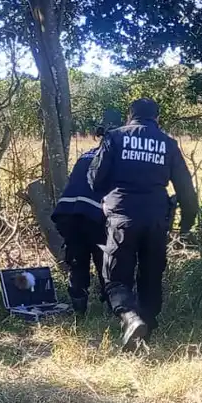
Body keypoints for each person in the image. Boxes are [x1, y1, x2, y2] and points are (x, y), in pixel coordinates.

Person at [89, 97, 199, 350]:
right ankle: (145, 330)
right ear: (157, 118)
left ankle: (129, 316)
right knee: (151, 275)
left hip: (122, 217)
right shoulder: (168, 144)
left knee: (115, 276)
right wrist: (187, 221)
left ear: (130, 115)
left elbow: (95, 179)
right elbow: (185, 188)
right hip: (156, 219)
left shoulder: (115, 137)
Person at [52, 107, 121, 315]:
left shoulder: (86, 155)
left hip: (67, 213)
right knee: (106, 261)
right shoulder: (117, 158)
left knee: (77, 260)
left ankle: (79, 311)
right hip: (94, 215)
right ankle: (112, 309)